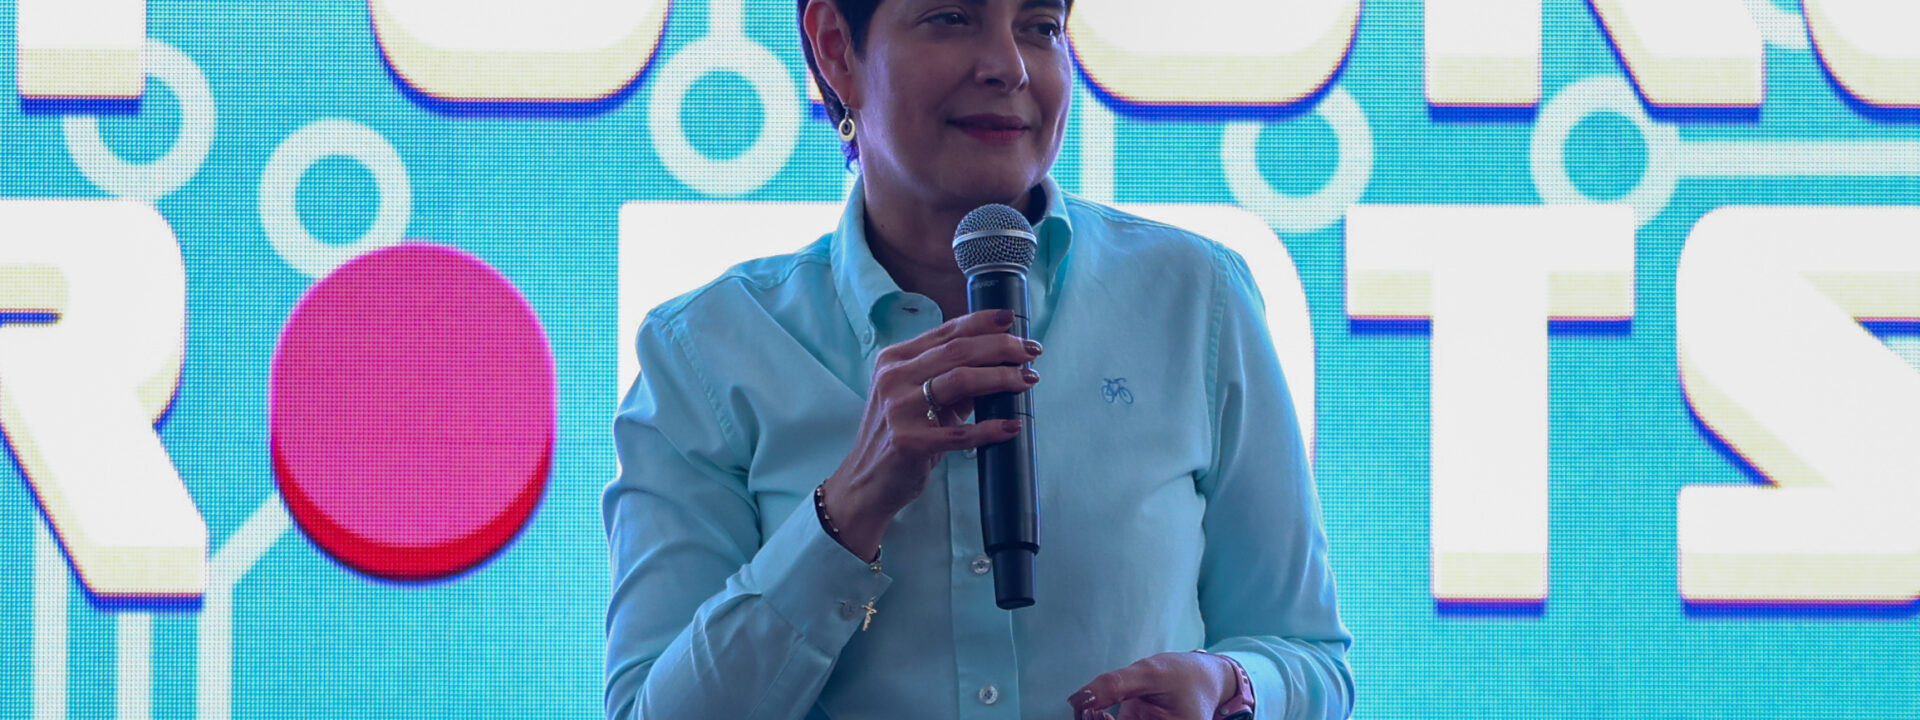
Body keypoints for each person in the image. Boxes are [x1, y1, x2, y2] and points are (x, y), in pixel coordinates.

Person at [603, 0, 1354, 717]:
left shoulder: (1193, 296)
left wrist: (1228, 687)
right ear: (836, 49)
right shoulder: (706, 353)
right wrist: (847, 509)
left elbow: (1307, 655)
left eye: (1040, 26)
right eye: (951, 17)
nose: (1009, 66)